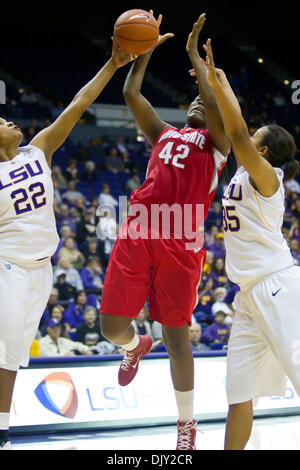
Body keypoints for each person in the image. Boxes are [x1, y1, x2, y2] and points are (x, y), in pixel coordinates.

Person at [100, 13, 230, 450]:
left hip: (181, 240)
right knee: (111, 327)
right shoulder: (164, 133)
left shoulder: (218, 145)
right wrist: (144, 51)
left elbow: (215, 110)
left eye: (203, 101)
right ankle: (135, 345)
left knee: (176, 339)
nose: (197, 104)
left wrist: (198, 67)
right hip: (137, 230)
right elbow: (130, 93)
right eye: (193, 100)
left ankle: (186, 426)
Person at [0, 38, 136, 449]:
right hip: (7, 265)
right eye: (1, 122)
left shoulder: (37, 151)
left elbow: (78, 105)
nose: (9, 121)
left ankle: (3, 429)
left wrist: (113, 65)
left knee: (12, 358)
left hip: (42, 271)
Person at [199, 39, 300, 450]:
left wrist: (223, 82)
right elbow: (223, 128)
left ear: (262, 150)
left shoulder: (268, 178)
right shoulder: (244, 170)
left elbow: (237, 131)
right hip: (248, 298)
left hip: (278, 288)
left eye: (254, 137)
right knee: (237, 396)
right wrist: (205, 74)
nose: (247, 137)